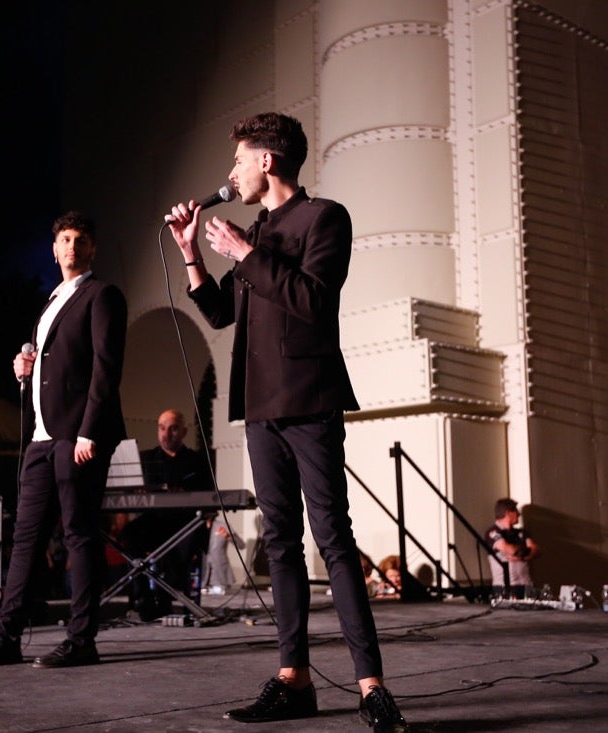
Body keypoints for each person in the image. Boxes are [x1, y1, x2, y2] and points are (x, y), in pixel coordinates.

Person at [164, 112, 407, 731]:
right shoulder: (259, 228)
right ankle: (293, 678)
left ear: (267, 160)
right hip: (261, 407)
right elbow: (221, 314)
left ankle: (371, 685)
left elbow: (313, 301)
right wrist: (194, 255)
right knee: (280, 543)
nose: (233, 173)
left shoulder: (324, 217)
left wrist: (244, 251)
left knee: (333, 537)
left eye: (240, 160)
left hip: (309, 397)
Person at [0, 210, 127, 670]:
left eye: (81, 239)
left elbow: (105, 369)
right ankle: (6, 637)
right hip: (39, 439)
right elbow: (53, 370)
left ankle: (81, 639)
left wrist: (89, 430)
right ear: (53, 250)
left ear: (93, 249)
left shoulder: (101, 295)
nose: (72, 246)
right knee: (25, 539)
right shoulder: (48, 303)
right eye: (65, 239)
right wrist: (24, 372)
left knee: (79, 537)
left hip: (77, 437)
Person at [126, 408, 212, 619]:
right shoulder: (145, 459)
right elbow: (129, 491)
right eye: (162, 428)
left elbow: (210, 494)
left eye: (173, 429)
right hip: (154, 522)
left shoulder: (197, 460)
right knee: (130, 534)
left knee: (183, 547)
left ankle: (166, 598)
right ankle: (143, 598)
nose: (166, 434)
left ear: (183, 431)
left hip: (186, 524)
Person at [485, 498, 540, 598]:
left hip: (526, 585)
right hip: (505, 587)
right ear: (508, 513)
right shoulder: (493, 532)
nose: (519, 514)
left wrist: (522, 557)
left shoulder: (521, 532)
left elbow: (536, 551)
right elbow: (510, 550)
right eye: (515, 510)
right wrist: (526, 550)